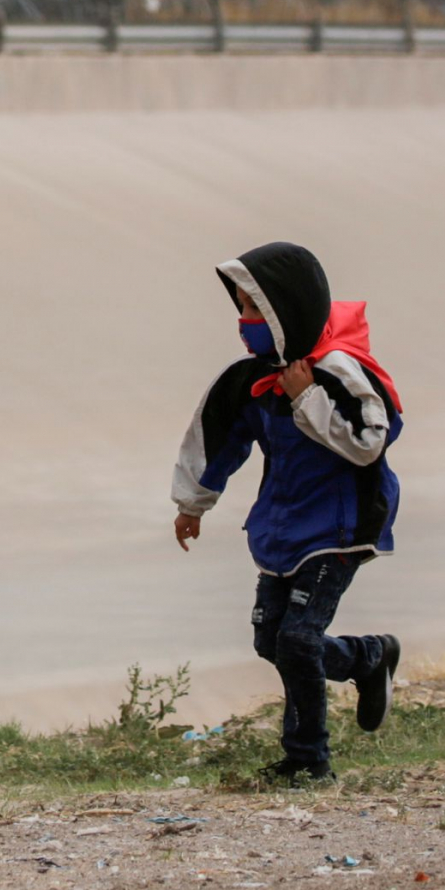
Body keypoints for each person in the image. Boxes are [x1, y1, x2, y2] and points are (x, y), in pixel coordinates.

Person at [169, 240, 405, 786]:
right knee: (270, 640)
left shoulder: (339, 370)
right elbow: (213, 440)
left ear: (287, 309)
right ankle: (367, 658)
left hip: (341, 526)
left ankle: (307, 761)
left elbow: (371, 442)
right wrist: (192, 505)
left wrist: (307, 400)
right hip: (283, 525)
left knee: (298, 641)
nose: (243, 322)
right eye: (241, 309)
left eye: (254, 310)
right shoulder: (247, 380)